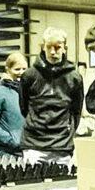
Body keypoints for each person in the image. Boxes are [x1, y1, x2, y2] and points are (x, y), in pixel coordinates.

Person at [20, 28, 83, 166]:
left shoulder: (74, 77)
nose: (53, 52)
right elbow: (24, 107)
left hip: (61, 146)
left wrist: (67, 130)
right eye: (49, 47)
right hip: (34, 145)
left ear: (65, 48)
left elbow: (76, 111)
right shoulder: (29, 76)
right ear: (43, 47)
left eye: (57, 47)